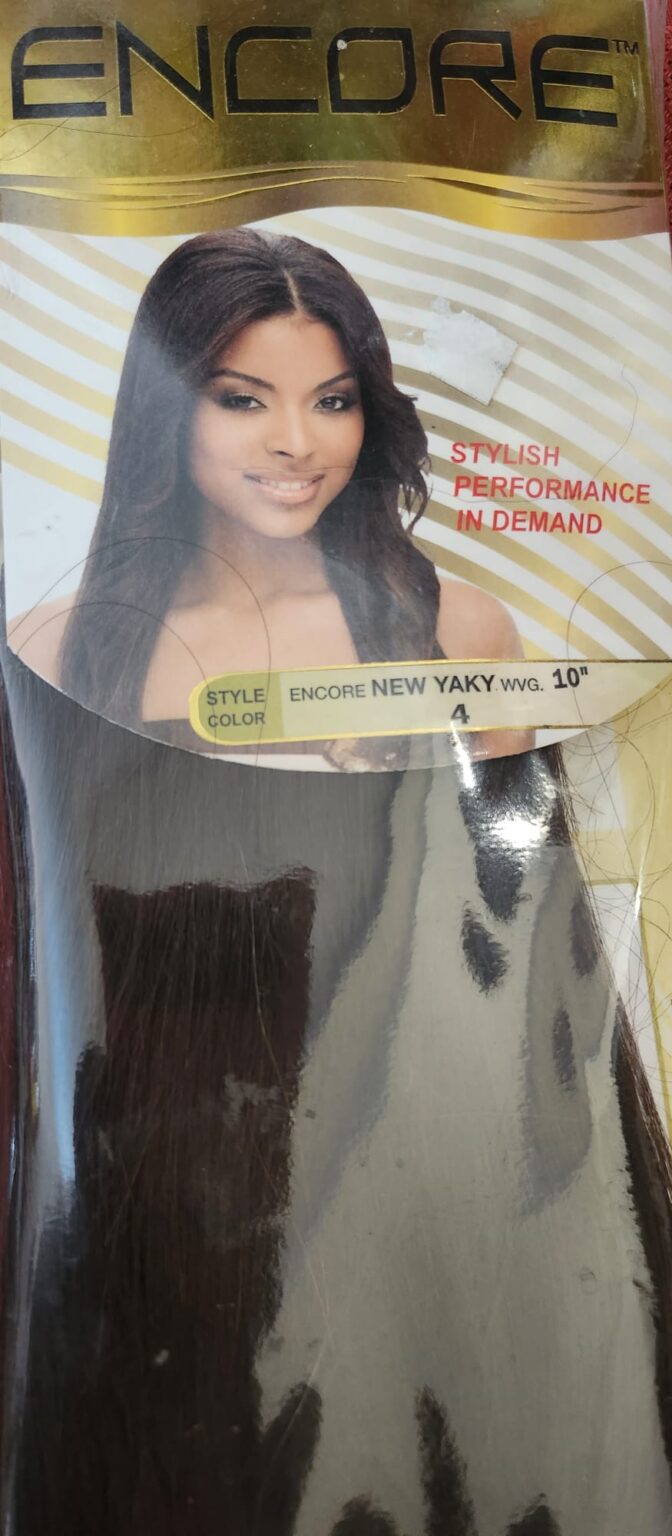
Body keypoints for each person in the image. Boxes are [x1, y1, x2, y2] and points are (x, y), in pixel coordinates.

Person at [9, 228, 530, 761]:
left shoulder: (467, 632)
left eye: (332, 401)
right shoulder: (41, 651)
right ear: (167, 411)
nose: (297, 444)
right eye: (243, 400)